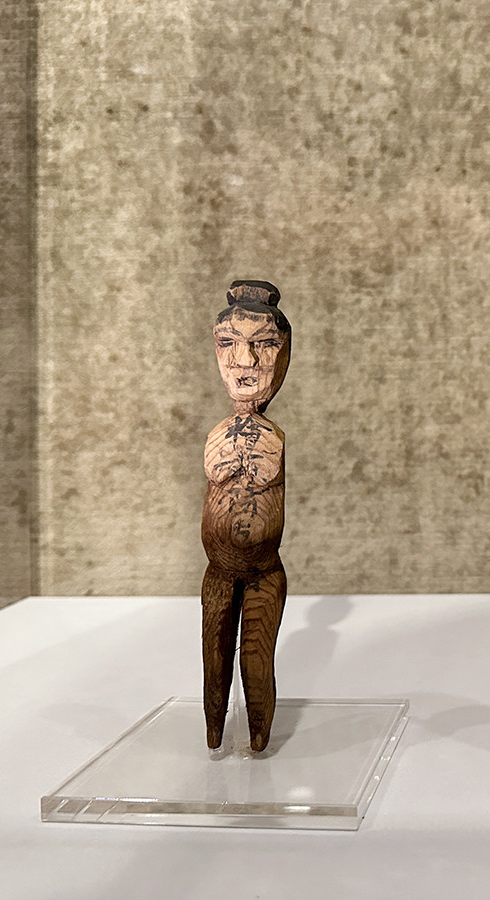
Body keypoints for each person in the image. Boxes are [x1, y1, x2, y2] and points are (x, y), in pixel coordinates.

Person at [201, 280, 291, 752]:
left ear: (284, 355)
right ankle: (214, 732)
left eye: (265, 344)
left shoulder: (273, 436)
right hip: (217, 571)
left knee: (256, 661)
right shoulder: (218, 433)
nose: (245, 361)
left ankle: (258, 738)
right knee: (213, 662)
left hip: (264, 573)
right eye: (228, 343)